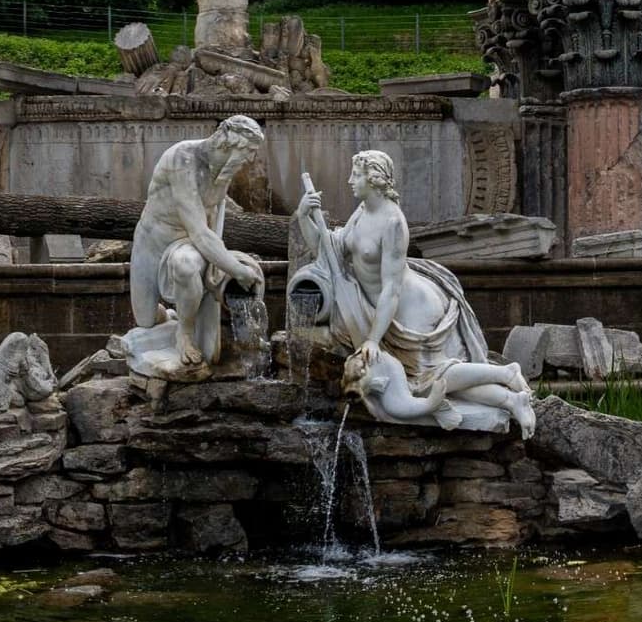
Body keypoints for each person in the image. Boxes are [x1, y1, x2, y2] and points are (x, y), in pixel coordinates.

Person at [295, 147, 534, 435]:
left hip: (410, 309)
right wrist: (304, 215)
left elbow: (392, 289)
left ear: (374, 179)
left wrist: (373, 339)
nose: (349, 180)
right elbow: (326, 250)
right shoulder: (362, 212)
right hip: (379, 308)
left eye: (356, 175)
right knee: (427, 388)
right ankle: (511, 399)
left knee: (428, 378)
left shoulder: (393, 223)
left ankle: (505, 373)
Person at [116, 115, 265, 379]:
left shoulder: (224, 169)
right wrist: (236, 270)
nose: (250, 160)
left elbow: (212, 218)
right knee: (145, 321)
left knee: (186, 266)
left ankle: (184, 333)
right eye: (248, 151)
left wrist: (214, 268)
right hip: (153, 241)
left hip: (187, 244)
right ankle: (180, 312)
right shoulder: (182, 158)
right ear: (228, 143)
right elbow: (199, 229)